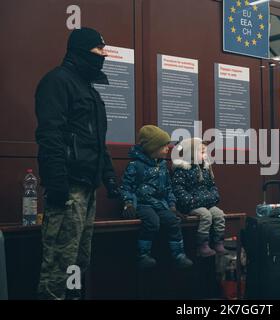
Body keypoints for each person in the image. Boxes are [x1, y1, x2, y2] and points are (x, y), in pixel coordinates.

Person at [35, 28, 120, 300]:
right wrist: (57, 183)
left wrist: (109, 179)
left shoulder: (90, 92)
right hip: (68, 190)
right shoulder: (57, 82)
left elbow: (98, 142)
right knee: (59, 264)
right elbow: (51, 136)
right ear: (81, 51)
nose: (104, 55)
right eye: (99, 49)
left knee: (78, 263)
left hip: (87, 189)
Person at [121, 125, 193, 269]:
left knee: (173, 221)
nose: (168, 149)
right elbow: (126, 186)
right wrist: (128, 203)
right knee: (152, 222)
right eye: (164, 146)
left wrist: (172, 205)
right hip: (143, 204)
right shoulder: (135, 165)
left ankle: (178, 255)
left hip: (160, 204)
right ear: (153, 148)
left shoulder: (162, 166)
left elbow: (168, 188)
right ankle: (143, 254)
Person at [172, 138, 226, 257]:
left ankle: (218, 242)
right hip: (192, 205)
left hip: (206, 203)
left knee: (219, 214)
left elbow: (212, 186)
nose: (205, 155)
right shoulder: (182, 170)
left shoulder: (206, 169)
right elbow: (179, 190)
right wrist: (191, 201)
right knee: (205, 215)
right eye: (202, 152)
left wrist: (213, 197)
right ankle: (202, 245)